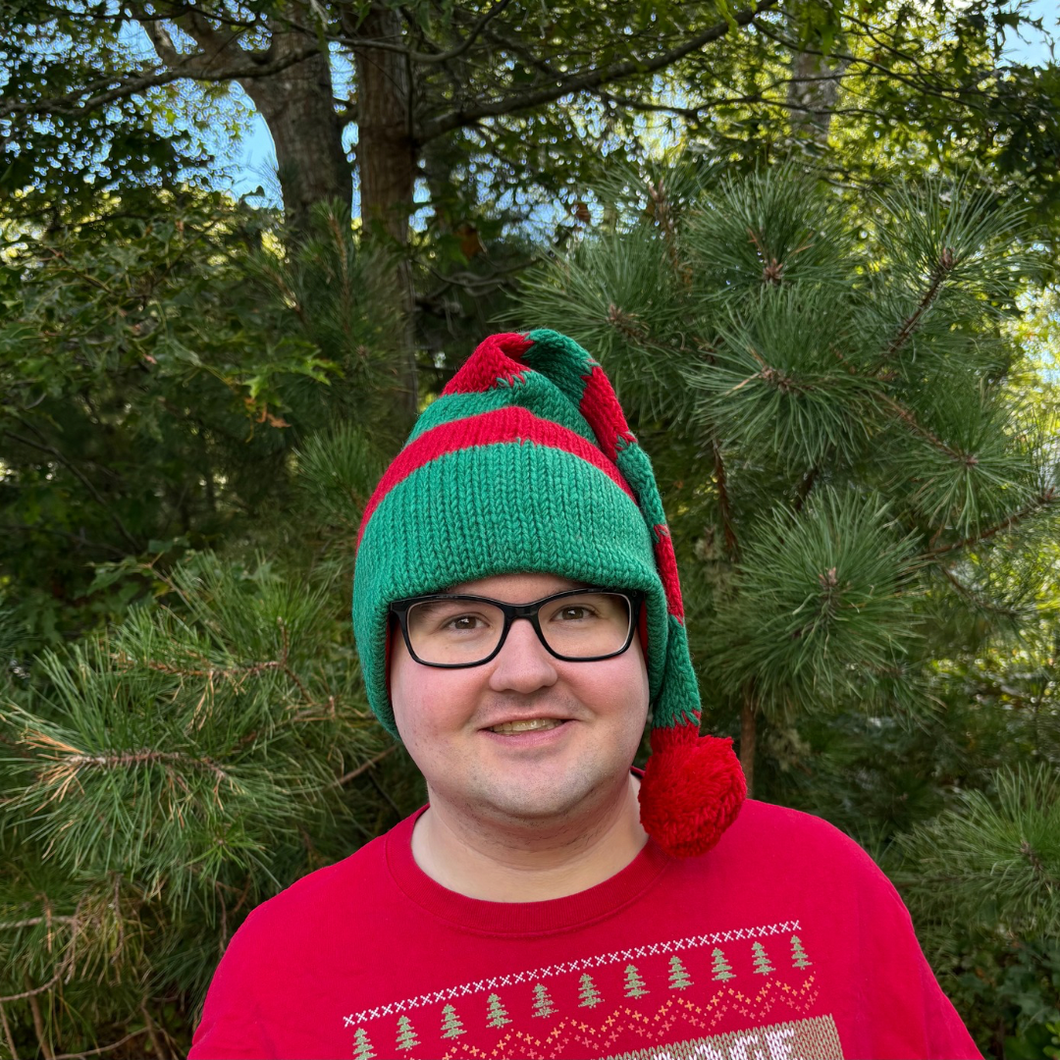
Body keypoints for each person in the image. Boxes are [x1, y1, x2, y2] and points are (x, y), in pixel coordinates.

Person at [189, 330, 980, 1060]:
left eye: (574, 613)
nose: (524, 671)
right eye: (461, 622)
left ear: (647, 644)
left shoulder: (823, 890)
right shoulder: (281, 979)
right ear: (385, 665)